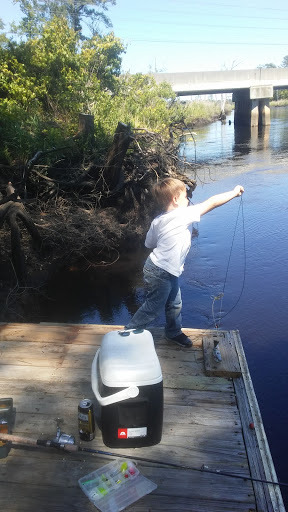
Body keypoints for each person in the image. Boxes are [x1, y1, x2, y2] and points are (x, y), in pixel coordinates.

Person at [125, 178, 244, 348]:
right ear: (175, 199)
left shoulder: (158, 220)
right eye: (185, 197)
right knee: (153, 306)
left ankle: (173, 332)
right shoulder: (183, 214)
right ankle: (128, 333)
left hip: (162, 268)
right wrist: (234, 192)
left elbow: (149, 244)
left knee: (174, 303)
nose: (188, 199)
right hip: (160, 271)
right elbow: (212, 202)